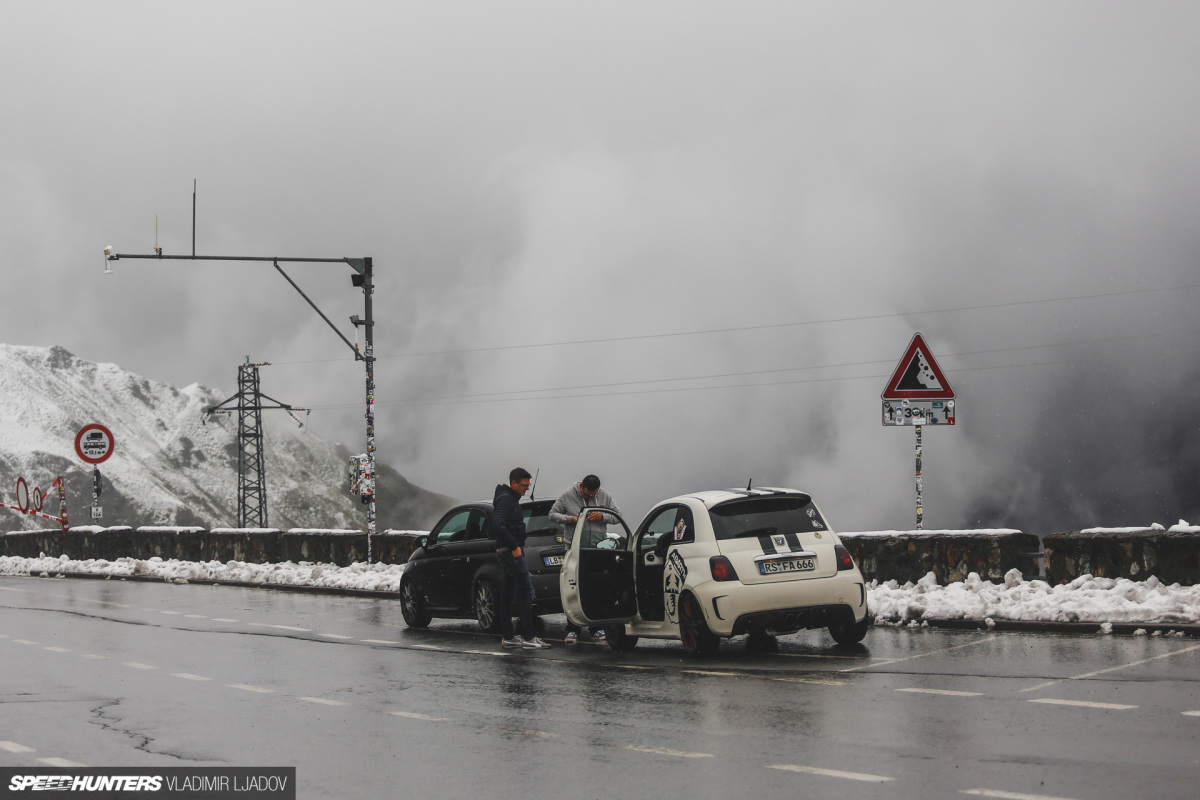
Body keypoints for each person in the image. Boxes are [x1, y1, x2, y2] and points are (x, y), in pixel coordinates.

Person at [549, 474, 623, 643]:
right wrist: (570, 519)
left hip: (597, 548)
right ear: (582, 487)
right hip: (574, 548)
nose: (590, 497)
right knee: (574, 587)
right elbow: (552, 514)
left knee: (596, 587)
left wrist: (602, 517)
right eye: (587, 495)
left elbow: (617, 516)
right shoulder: (567, 494)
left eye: (593, 495)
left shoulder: (605, 496)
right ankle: (572, 629)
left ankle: (596, 627)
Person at [494, 467, 551, 650]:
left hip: (507, 552)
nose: (527, 488)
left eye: (528, 485)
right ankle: (528, 637)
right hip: (511, 553)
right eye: (524, 485)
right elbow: (498, 525)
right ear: (514, 483)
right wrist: (515, 547)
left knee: (507, 594)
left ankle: (509, 637)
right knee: (527, 593)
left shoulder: (509, 498)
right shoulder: (506, 500)